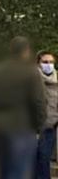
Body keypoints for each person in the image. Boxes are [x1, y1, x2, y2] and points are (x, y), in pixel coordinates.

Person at [0, 37, 46, 179]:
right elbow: (38, 102)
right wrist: (38, 126)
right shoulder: (31, 72)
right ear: (26, 51)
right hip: (22, 127)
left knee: (3, 170)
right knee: (17, 170)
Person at [35, 50, 58, 179]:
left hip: (50, 128)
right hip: (33, 129)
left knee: (44, 159)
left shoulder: (57, 80)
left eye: (51, 62)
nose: (48, 64)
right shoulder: (32, 80)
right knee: (33, 161)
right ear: (38, 63)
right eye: (45, 62)